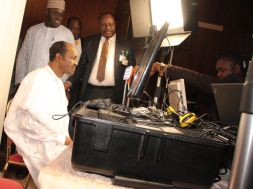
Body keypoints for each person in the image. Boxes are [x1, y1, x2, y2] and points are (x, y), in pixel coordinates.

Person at [4, 41, 77, 186]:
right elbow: (28, 124)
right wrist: (61, 139)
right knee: (69, 174)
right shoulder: (38, 78)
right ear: (59, 57)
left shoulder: (56, 81)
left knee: (80, 164)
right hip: (34, 141)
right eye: (73, 57)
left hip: (52, 139)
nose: (76, 62)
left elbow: (57, 120)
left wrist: (66, 138)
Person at [65, 12, 136, 104]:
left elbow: (131, 68)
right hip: (90, 92)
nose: (107, 28)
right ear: (99, 25)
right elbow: (81, 67)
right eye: (104, 25)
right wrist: (69, 82)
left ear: (115, 24)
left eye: (110, 24)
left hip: (113, 94)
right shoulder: (90, 41)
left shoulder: (125, 45)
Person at [151, 51, 245, 119]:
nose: (218, 74)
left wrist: (164, 68)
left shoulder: (237, 83)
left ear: (236, 69)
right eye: (218, 70)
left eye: (222, 70)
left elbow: (200, 80)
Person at [15, 0, 75, 85]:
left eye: (61, 14)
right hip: (30, 83)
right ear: (47, 12)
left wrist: (60, 83)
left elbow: (71, 62)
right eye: (55, 13)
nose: (59, 17)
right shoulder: (33, 31)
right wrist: (20, 82)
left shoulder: (67, 34)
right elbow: (22, 57)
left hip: (53, 86)